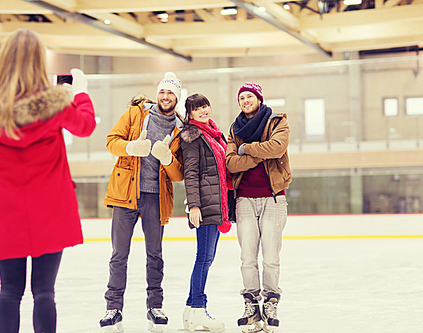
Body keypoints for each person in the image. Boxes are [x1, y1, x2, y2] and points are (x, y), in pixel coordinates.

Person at [0, 29, 96, 333]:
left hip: (4, 211)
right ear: (39, 62)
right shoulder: (56, 105)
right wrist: (81, 93)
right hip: (51, 209)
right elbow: (86, 126)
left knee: (9, 291)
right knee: (44, 292)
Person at [100, 72, 184, 333]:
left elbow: (179, 174)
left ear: (176, 98)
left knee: (155, 255)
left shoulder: (180, 129)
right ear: (157, 94)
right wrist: (130, 147)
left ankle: (155, 305)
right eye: (162, 92)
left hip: (156, 197)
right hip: (126, 193)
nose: (165, 96)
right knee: (119, 255)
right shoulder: (136, 114)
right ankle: (113, 307)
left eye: (170, 93)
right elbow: (111, 141)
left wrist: (168, 160)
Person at [225, 83, 291, 333]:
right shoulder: (235, 128)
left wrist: (248, 150)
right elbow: (231, 163)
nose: (245, 100)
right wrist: (261, 155)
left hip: (273, 198)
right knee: (247, 258)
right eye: (241, 97)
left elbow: (278, 147)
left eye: (249, 96)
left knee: (271, 257)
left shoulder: (277, 122)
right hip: (244, 199)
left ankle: (271, 302)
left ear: (259, 99)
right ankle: (251, 305)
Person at [180, 93, 232, 332]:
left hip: (217, 204)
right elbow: (191, 173)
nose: (203, 111)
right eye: (196, 108)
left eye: (205, 106)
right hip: (205, 206)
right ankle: (199, 308)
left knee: (207, 258)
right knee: (203, 258)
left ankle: (191, 309)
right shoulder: (192, 137)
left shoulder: (214, 133)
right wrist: (194, 205)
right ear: (189, 114)